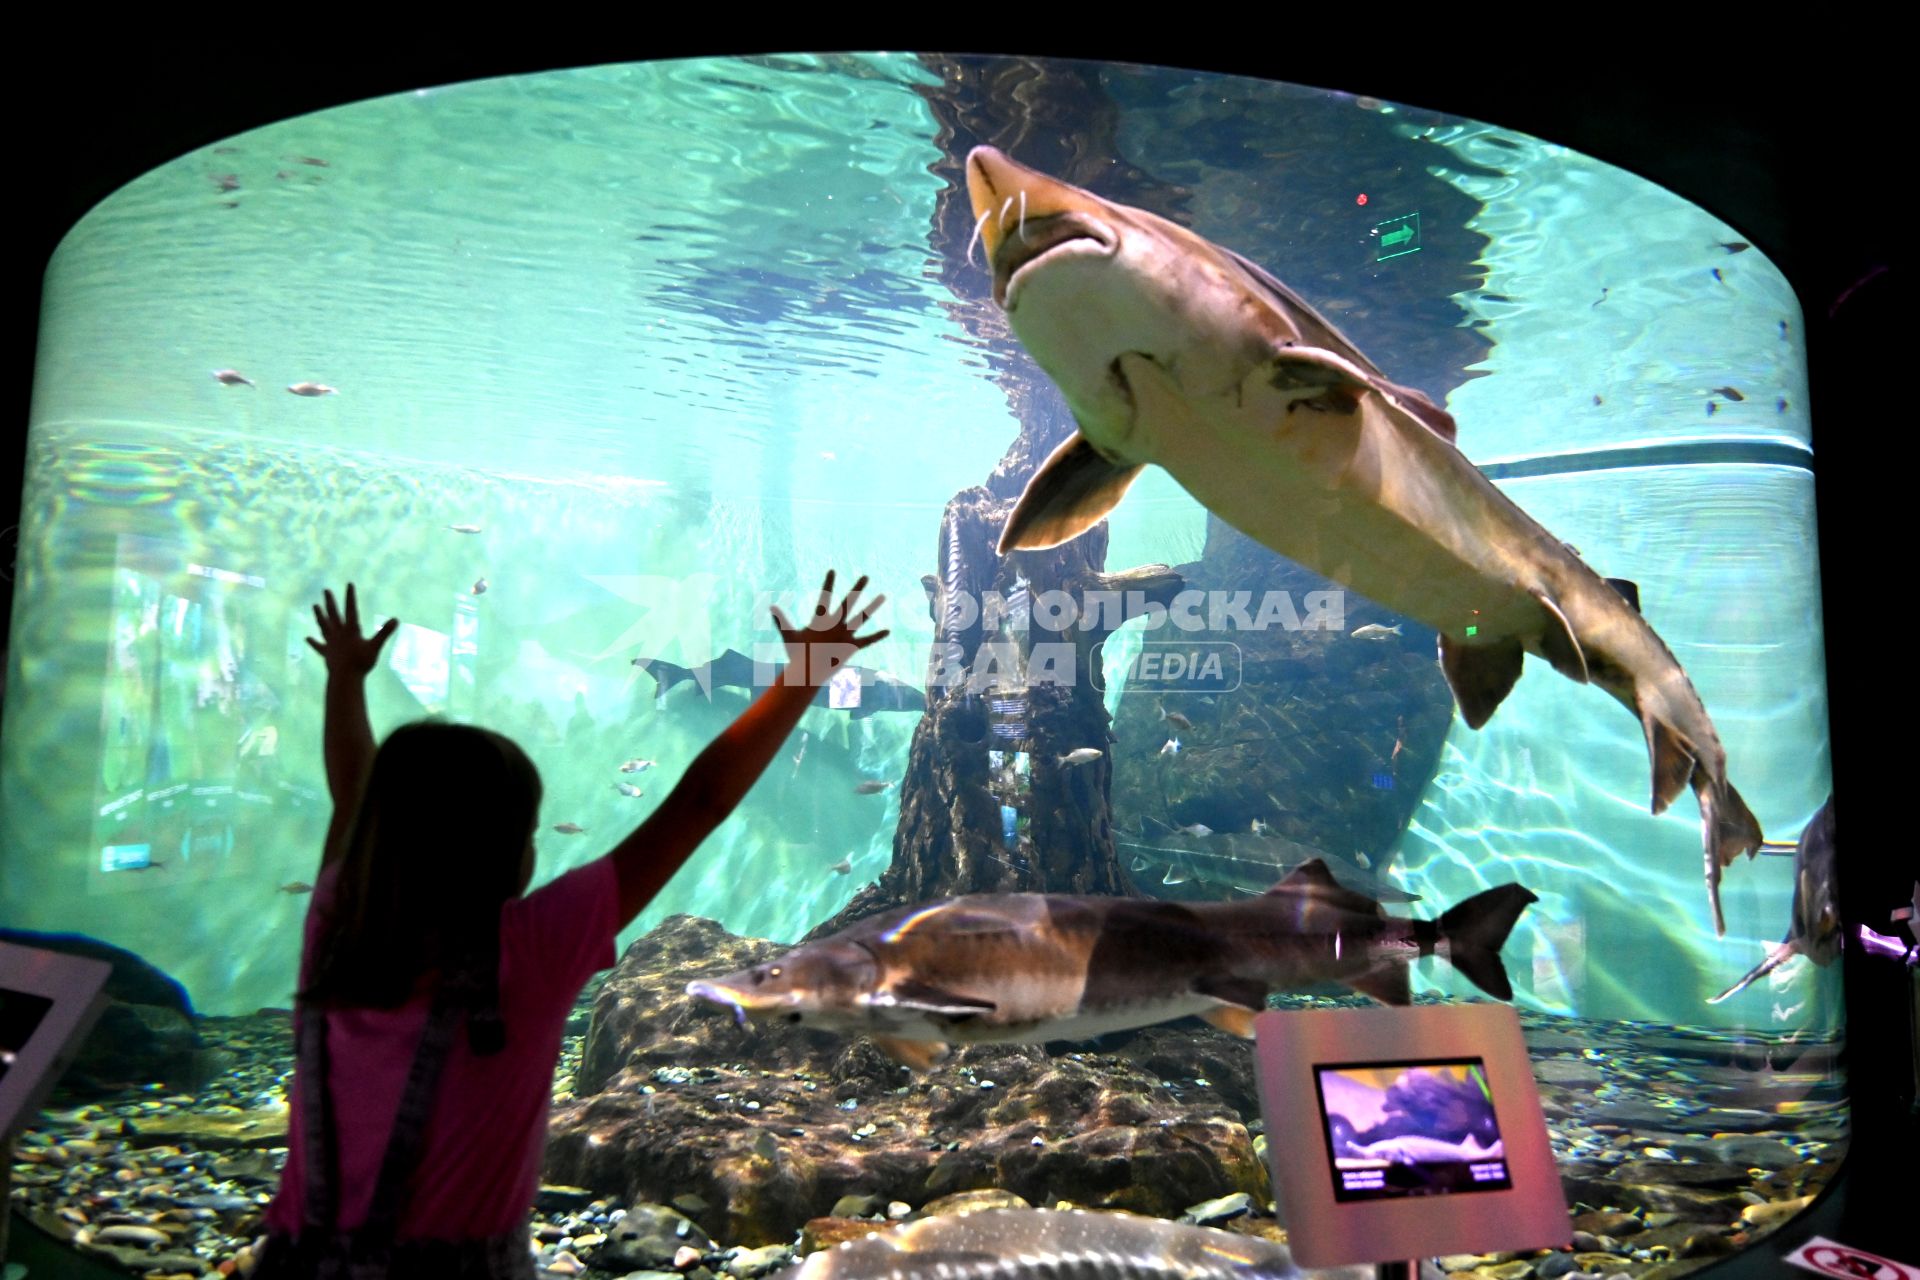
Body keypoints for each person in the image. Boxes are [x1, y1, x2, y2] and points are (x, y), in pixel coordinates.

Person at [253, 573, 888, 1279]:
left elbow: (354, 798)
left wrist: (345, 680)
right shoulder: (529, 951)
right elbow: (701, 800)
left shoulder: (337, 932)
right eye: (528, 831)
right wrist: (802, 678)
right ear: (511, 854)